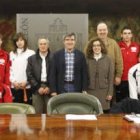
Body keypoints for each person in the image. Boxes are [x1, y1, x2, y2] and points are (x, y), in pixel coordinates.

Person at [96, 22, 123, 105]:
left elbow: (119, 60)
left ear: (107, 31)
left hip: (110, 79)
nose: (102, 32)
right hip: (96, 80)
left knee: (110, 101)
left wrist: (118, 76)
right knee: (97, 101)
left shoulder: (113, 44)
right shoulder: (91, 43)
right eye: (100, 30)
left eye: (104, 30)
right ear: (97, 31)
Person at [85, 38, 114, 112]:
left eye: (98, 45)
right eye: (94, 45)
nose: (96, 47)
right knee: (90, 112)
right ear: (91, 48)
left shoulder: (108, 59)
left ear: (102, 47)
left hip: (104, 92)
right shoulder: (87, 59)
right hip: (90, 91)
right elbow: (84, 77)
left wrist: (110, 93)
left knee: (103, 115)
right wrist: (84, 90)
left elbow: (111, 78)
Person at [26, 37, 51, 113]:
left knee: (50, 113)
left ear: (48, 45)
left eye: (45, 44)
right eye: (41, 44)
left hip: (49, 89)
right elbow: (29, 74)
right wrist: (38, 87)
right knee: (37, 113)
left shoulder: (54, 57)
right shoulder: (31, 59)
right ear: (38, 45)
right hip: (36, 89)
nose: (43, 46)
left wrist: (49, 87)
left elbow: (56, 74)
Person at [10, 32, 35, 104]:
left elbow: (33, 70)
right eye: (17, 41)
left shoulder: (31, 53)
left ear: (25, 41)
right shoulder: (11, 54)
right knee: (16, 110)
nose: (19, 42)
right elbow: (10, 69)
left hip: (27, 87)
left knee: (27, 110)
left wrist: (26, 81)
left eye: (21, 40)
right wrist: (13, 81)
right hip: (15, 87)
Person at [116, 26, 140, 102]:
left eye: (129, 33)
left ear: (131, 35)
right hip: (121, 79)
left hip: (134, 79)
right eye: (125, 33)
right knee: (122, 102)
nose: (127, 35)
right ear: (121, 35)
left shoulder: (137, 46)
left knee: (134, 101)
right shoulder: (117, 46)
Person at [0, 34, 12, 103]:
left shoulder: (6, 55)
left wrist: (7, 86)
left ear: (1, 41)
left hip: (3, 89)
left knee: (4, 111)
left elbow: (7, 72)